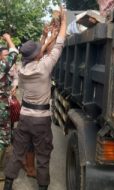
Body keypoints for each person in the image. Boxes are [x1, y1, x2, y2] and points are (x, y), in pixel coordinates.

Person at [3, 8, 66, 190]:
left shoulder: (22, 69)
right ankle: (42, 187)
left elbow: (37, 53)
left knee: (17, 153)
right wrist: (62, 21)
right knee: (43, 156)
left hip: (25, 119)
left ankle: (8, 184)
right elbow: (60, 43)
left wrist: (45, 37)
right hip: (40, 120)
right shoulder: (44, 67)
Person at [0, 34, 18, 174]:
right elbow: (14, 53)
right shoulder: (2, 67)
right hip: (1, 109)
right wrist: (8, 39)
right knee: (3, 137)